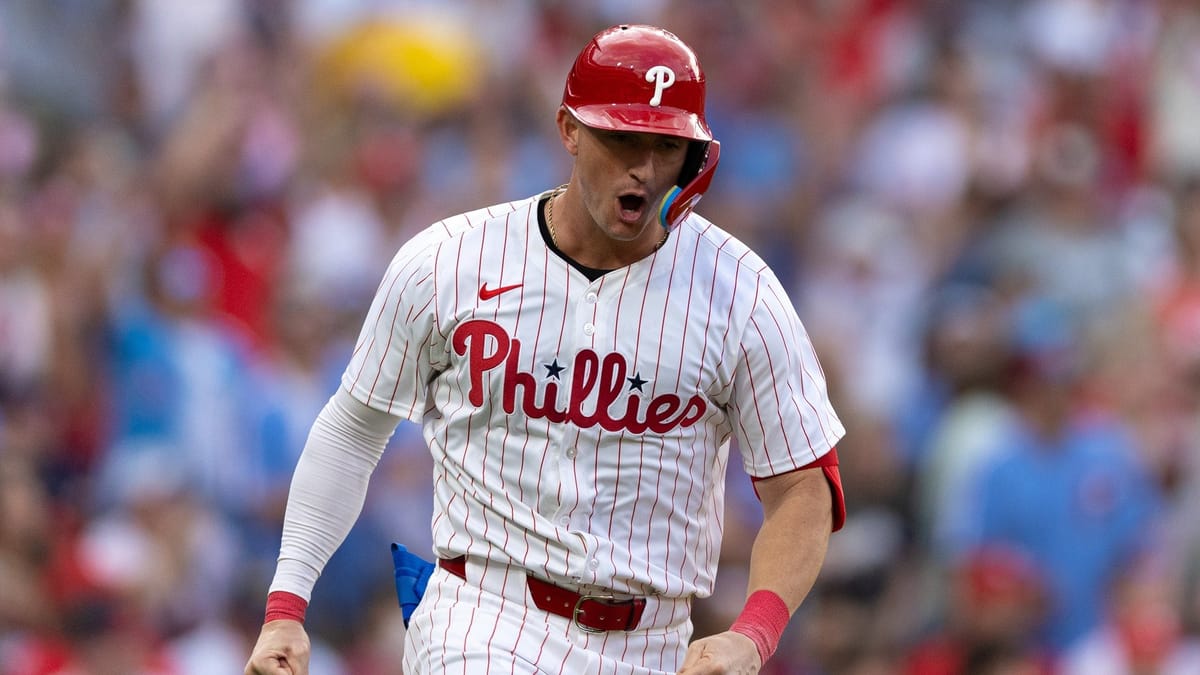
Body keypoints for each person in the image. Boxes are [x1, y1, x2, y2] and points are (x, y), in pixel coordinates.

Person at [244, 23, 846, 675]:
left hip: (654, 638)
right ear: (569, 130)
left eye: (665, 146)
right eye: (621, 139)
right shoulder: (450, 261)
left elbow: (802, 487)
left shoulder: (742, 291)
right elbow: (353, 429)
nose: (643, 167)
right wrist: (286, 606)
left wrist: (751, 634)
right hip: (483, 614)